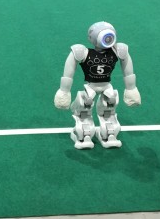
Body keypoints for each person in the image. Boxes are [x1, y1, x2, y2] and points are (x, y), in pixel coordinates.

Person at [53, 21, 141, 150]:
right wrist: (64, 91)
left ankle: (109, 134)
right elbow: (68, 72)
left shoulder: (118, 50)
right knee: (84, 108)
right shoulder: (81, 52)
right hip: (91, 87)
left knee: (109, 109)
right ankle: (84, 135)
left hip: (107, 87)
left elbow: (128, 71)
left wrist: (131, 89)